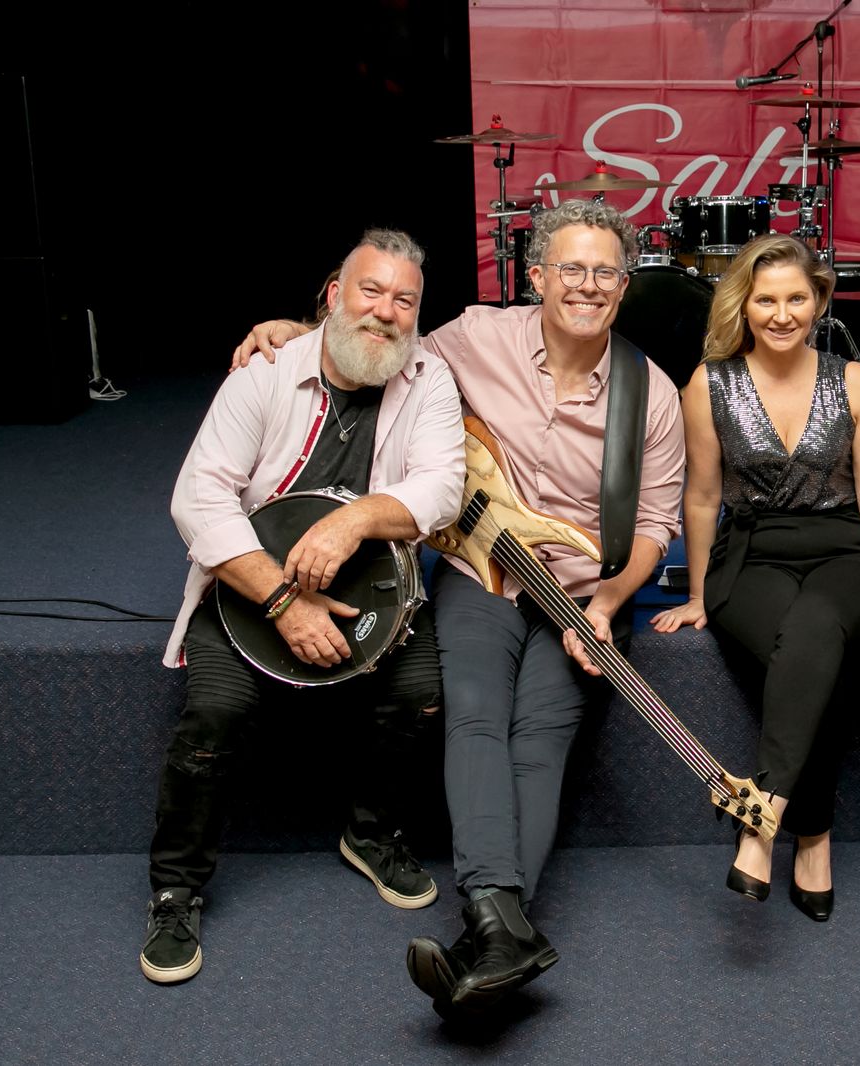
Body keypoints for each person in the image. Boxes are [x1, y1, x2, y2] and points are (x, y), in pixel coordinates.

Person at [230, 199, 685, 1018]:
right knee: (473, 713)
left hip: (583, 593)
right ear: (537, 277)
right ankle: (503, 929)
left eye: (605, 273)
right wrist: (297, 332)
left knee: (539, 739)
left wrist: (612, 602)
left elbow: (655, 523)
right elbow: (379, 346)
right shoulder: (477, 336)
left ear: (626, 286)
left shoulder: (650, 393)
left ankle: (494, 929)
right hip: (482, 572)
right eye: (571, 269)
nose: (587, 286)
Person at [143, 229, 466, 984]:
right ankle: (175, 887)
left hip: (372, 581)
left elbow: (442, 488)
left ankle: (370, 832)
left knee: (420, 694)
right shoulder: (264, 371)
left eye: (404, 300)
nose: (385, 311)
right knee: (215, 712)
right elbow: (198, 497)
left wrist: (356, 519)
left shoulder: (430, 380)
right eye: (370, 290)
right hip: (252, 582)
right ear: (333, 295)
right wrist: (285, 600)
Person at [650, 234, 860, 921]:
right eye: (767, 300)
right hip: (751, 555)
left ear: (819, 301)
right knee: (815, 654)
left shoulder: (856, 381)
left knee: (818, 625)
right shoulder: (708, 383)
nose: (782, 314)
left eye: (797, 298)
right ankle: (813, 836)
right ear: (744, 304)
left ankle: (762, 817)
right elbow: (702, 497)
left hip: (846, 552)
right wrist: (699, 592)